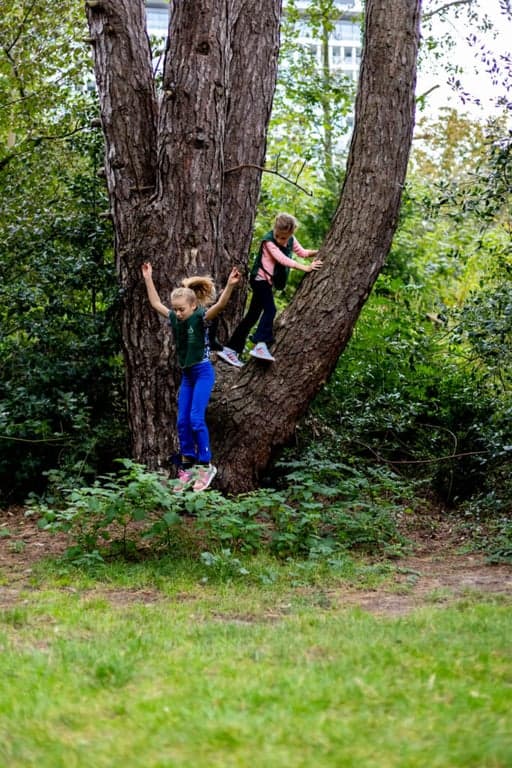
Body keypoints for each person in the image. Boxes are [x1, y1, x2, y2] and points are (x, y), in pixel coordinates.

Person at [142, 262, 241, 492]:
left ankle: (205, 466)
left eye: (181, 310)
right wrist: (148, 278)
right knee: (182, 421)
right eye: (175, 309)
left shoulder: (200, 318)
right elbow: (156, 303)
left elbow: (221, 304)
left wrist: (229, 285)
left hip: (203, 372)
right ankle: (187, 467)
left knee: (196, 419)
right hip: (187, 376)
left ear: (193, 306)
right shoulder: (176, 319)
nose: (177, 313)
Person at [217, 213, 322, 366]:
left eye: (284, 238)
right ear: (274, 230)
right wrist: (305, 268)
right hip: (260, 280)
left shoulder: (290, 239)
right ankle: (260, 345)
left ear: (291, 233)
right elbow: (283, 259)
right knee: (270, 310)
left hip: (267, 283)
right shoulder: (268, 242)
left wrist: (320, 252)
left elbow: (303, 252)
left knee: (251, 317)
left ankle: (230, 350)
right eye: (278, 236)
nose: (280, 240)